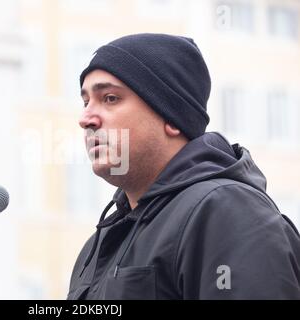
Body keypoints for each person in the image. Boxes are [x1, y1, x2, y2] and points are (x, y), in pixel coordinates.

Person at [67, 33, 300, 300]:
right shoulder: (98, 245)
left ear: (171, 116)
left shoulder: (226, 210)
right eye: (86, 102)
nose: (86, 119)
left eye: (110, 98)